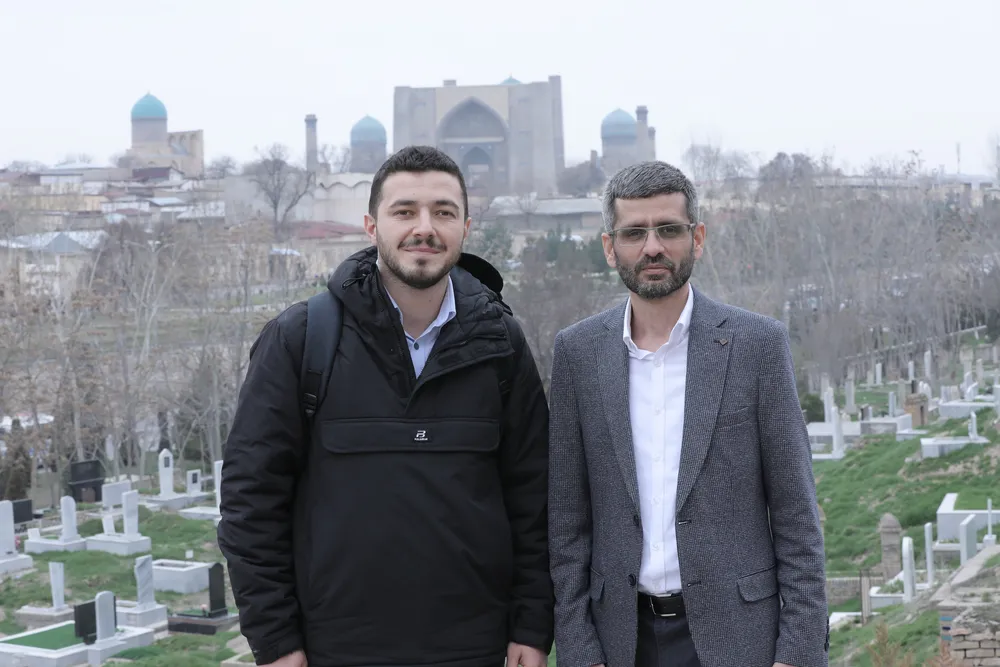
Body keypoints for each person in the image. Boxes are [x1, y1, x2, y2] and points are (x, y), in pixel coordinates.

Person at [218, 146, 553, 667]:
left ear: (465, 228)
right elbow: (250, 504)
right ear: (372, 226)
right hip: (335, 649)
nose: (425, 228)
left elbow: (535, 498)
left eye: (443, 212)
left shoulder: (500, 344)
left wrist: (531, 627)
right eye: (405, 211)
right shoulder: (303, 340)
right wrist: (276, 642)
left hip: (475, 648)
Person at [547, 161, 828, 667]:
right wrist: (579, 649)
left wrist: (798, 653)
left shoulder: (757, 345)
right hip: (620, 641)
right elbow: (567, 521)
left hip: (740, 640)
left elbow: (797, 515)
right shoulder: (578, 353)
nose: (652, 247)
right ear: (610, 247)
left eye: (669, 229)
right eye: (634, 233)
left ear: (697, 238)